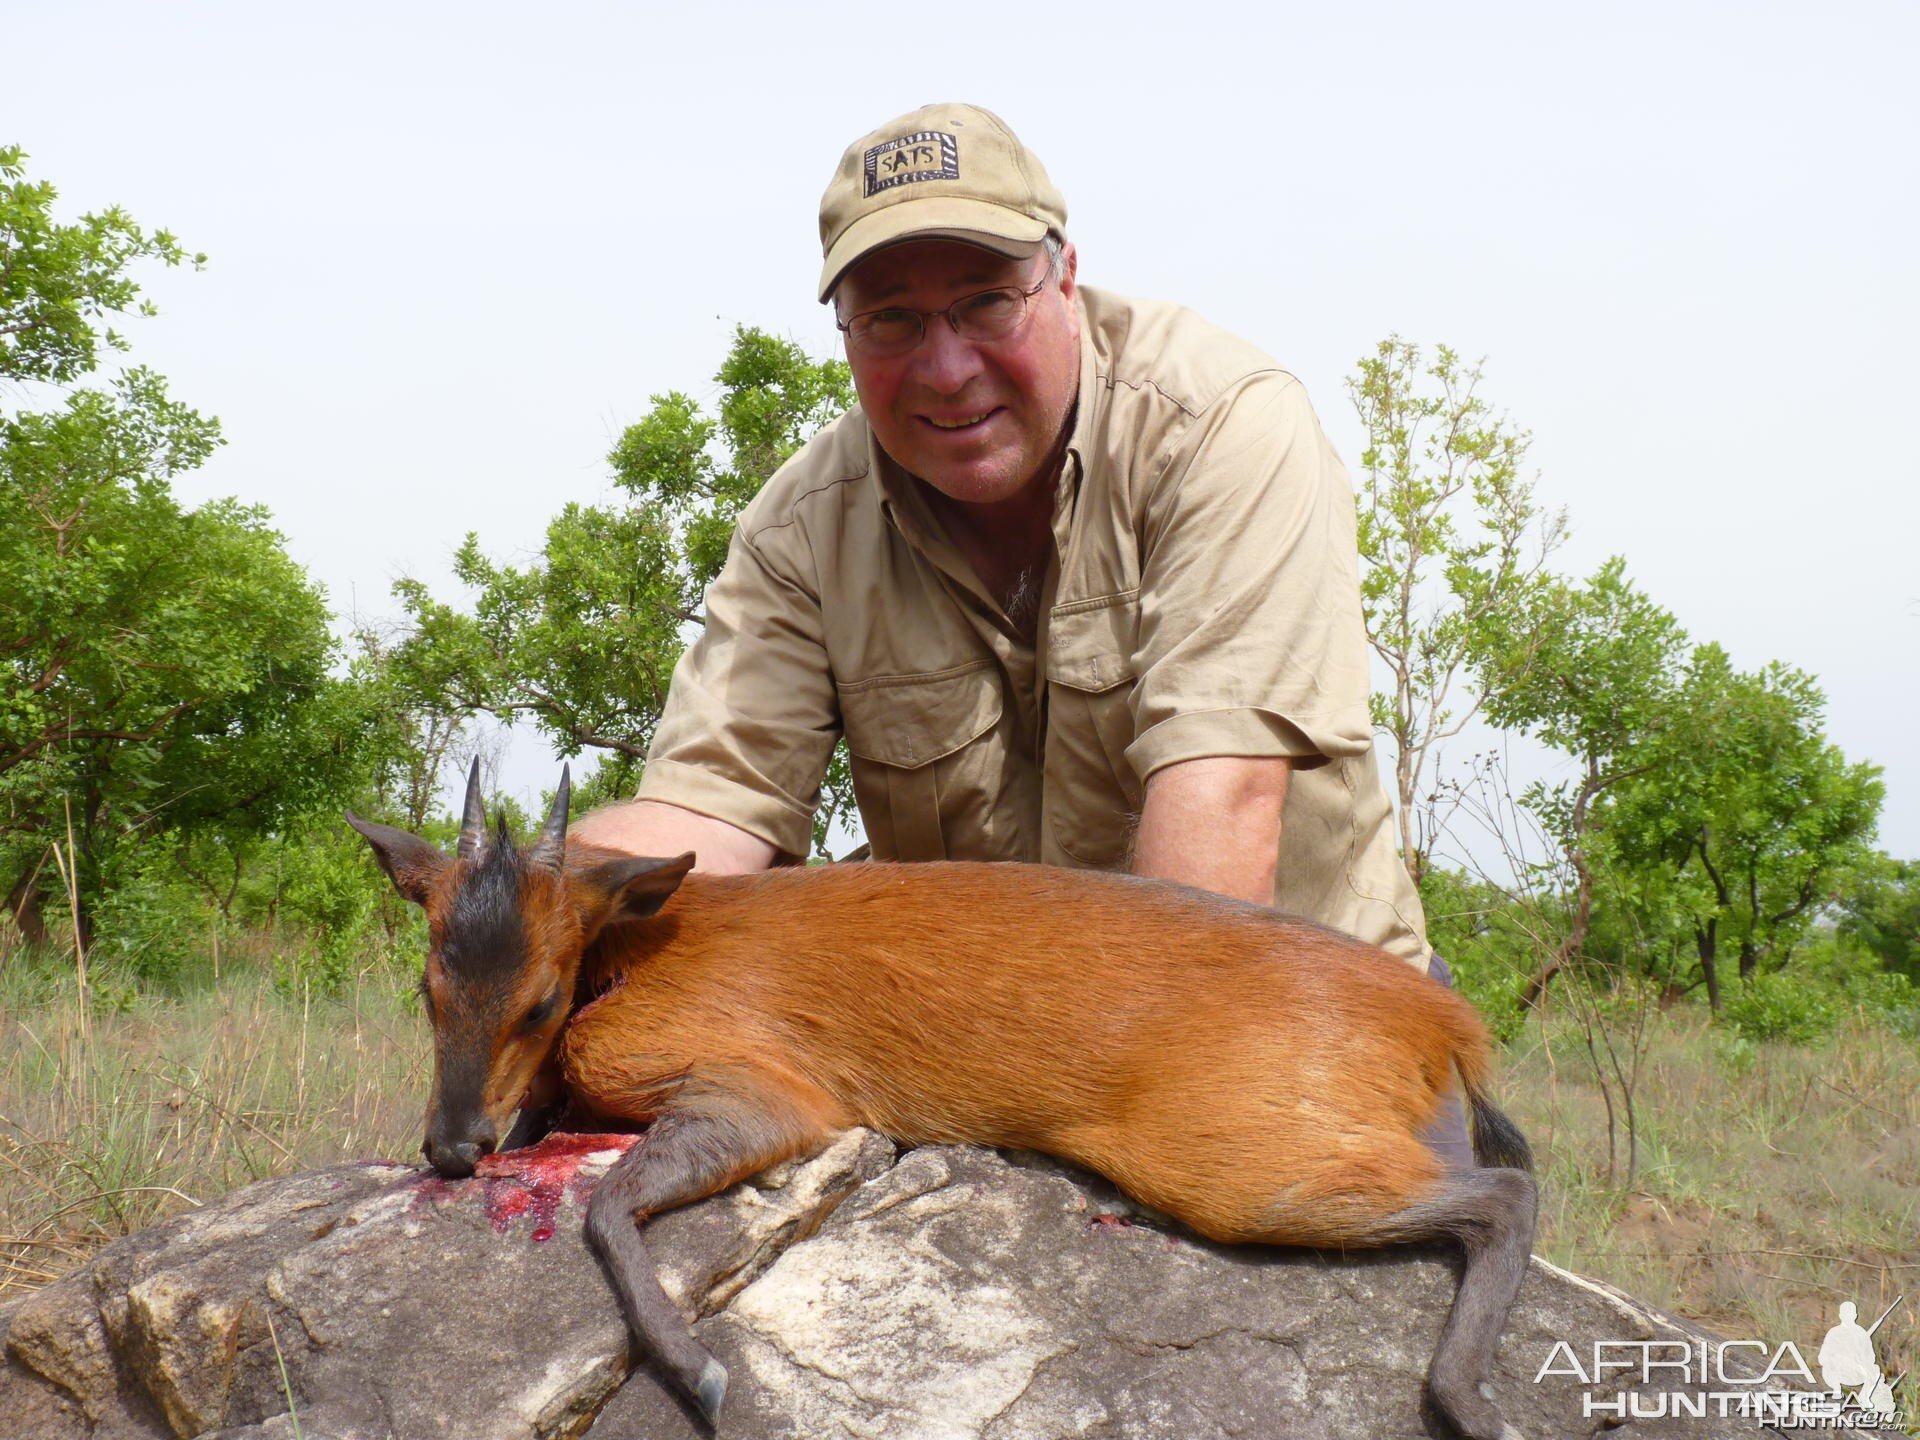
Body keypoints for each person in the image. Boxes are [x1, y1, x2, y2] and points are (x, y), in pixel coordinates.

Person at [574, 101, 1461, 1156]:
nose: (946, 369)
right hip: (997, 1081)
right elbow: (708, 822)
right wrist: (518, 900)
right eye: (892, 320)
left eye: (987, 302)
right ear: (845, 333)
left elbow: (1218, 815)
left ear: (1065, 275)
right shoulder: (802, 526)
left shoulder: (1222, 426)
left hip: (1300, 1044)